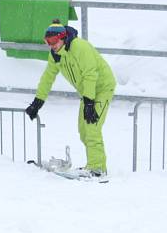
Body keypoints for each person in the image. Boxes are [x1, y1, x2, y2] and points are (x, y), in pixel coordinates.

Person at [25, 20, 116, 179]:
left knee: (91, 127)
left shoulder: (80, 47)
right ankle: (93, 165)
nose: (50, 45)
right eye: (47, 42)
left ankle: (97, 168)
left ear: (63, 38)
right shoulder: (56, 55)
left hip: (101, 88)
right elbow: (48, 78)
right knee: (83, 131)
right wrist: (37, 102)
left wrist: (89, 102)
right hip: (87, 93)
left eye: (53, 41)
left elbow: (90, 74)